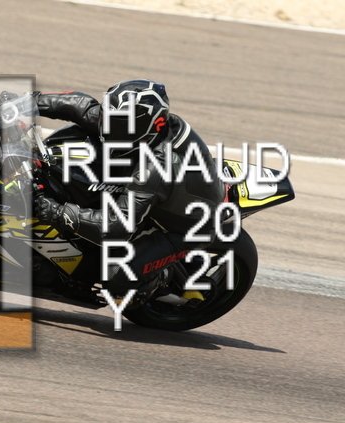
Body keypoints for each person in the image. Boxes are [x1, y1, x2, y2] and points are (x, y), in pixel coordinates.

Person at [16, 80, 227, 300]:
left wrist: (61, 213)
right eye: (106, 117)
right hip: (161, 190)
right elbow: (81, 106)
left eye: (116, 124)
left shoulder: (156, 168)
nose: (106, 127)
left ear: (142, 127)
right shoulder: (127, 123)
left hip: (187, 226)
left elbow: (116, 226)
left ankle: (158, 281)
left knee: (115, 277)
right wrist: (26, 103)